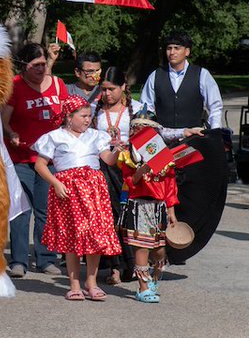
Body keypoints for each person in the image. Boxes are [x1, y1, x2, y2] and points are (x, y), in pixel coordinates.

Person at [32, 95, 122, 301]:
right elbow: (40, 165)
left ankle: (91, 282)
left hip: (93, 191)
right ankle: (74, 285)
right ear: (68, 117)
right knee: (72, 236)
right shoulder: (55, 137)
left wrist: (116, 150)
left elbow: (107, 160)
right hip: (68, 191)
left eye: (89, 115)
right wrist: (56, 183)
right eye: (82, 116)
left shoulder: (96, 136)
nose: (87, 119)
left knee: (95, 234)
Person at [1, 41, 65, 278]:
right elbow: (4, 121)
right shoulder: (15, 86)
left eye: (43, 64)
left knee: (45, 209)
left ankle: (46, 258)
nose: (40, 69)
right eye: (35, 65)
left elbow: (66, 117)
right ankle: (18, 260)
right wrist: (12, 134)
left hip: (49, 159)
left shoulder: (57, 85)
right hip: (21, 158)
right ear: (24, 66)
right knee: (21, 210)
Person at [118, 115, 181, 303]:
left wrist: (171, 211)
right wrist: (140, 171)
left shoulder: (163, 157)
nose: (141, 133)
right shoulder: (128, 154)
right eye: (137, 129)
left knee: (160, 249)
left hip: (159, 207)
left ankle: (154, 278)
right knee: (142, 247)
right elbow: (129, 181)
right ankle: (143, 288)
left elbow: (170, 185)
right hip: (139, 205)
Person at [92, 66, 137, 284]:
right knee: (108, 218)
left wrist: (183, 132)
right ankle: (114, 267)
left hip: (129, 170)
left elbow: (153, 133)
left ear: (123, 87)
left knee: (128, 217)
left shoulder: (137, 110)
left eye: (111, 89)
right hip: (103, 170)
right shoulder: (94, 111)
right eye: (103, 90)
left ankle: (134, 264)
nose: (107, 94)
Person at [139, 32, 223, 134]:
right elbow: (145, 107)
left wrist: (214, 132)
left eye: (176, 48)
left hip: (194, 138)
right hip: (164, 140)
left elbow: (215, 106)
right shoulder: (155, 76)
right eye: (169, 48)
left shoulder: (202, 75)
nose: (172, 52)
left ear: (187, 51)